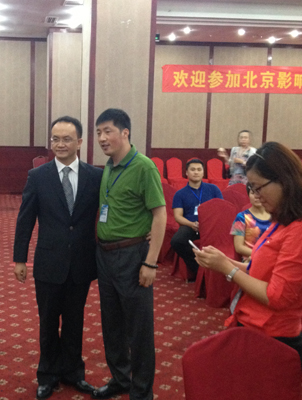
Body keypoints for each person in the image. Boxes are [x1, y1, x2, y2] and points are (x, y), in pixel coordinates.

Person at [194, 142, 302, 368]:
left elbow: (276, 296)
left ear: (283, 180)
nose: (256, 196)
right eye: (251, 188)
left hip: (274, 336)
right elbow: (259, 270)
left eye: (258, 187)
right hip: (253, 325)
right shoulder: (282, 219)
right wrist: (222, 262)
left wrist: (228, 269)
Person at [13, 116, 102, 399]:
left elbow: (107, 213)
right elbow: (25, 219)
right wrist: (19, 258)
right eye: (55, 139)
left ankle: (73, 372)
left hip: (81, 262)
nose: (60, 144)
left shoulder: (95, 176)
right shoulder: (38, 176)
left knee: (75, 321)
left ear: (79, 142)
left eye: (66, 139)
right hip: (49, 262)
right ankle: (48, 374)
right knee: (48, 321)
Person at [93, 109, 166, 400]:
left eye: (107, 131)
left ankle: (141, 391)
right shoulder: (109, 166)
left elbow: (159, 215)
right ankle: (120, 379)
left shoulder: (144, 167)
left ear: (125, 133)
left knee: (139, 328)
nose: (102, 138)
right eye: (98, 132)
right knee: (112, 324)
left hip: (133, 256)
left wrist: (151, 262)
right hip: (105, 255)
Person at [170, 159, 223, 277]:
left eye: (199, 170)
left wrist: (211, 224)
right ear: (187, 173)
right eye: (192, 169)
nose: (196, 172)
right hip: (190, 226)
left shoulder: (213, 189)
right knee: (177, 241)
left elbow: (221, 210)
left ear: (203, 173)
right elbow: (178, 216)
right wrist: (191, 224)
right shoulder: (180, 194)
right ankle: (199, 269)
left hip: (211, 226)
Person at [230, 185, 271, 262]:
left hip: (272, 258)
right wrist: (260, 254)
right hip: (251, 259)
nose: (257, 196)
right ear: (248, 195)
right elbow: (239, 247)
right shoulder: (241, 217)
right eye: (253, 193)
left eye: (260, 192)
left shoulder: (276, 215)